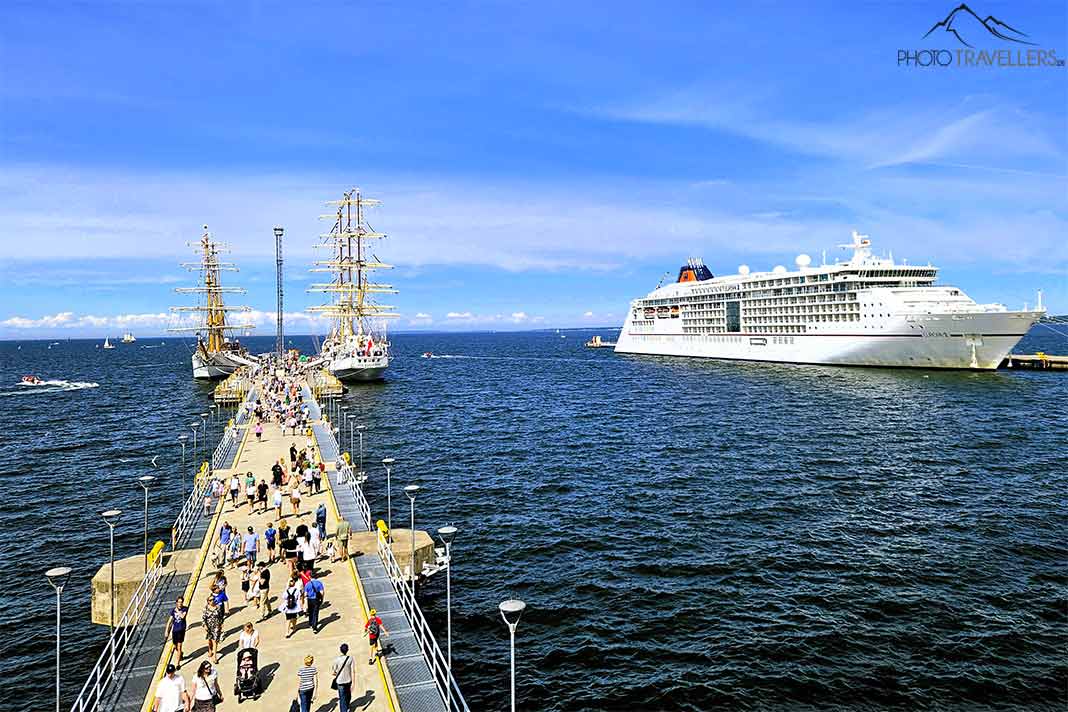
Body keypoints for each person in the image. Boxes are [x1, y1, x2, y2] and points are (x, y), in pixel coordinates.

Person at [164, 596, 189, 669]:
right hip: (175, 630)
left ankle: (177, 664)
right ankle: (180, 653)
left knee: (179, 646)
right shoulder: (173, 611)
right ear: (176, 603)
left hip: (181, 630)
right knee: (175, 646)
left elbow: (182, 617)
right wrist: (166, 631)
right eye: (179, 602)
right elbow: (170, 621)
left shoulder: (185, 609)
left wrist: (177, 611)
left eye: (181, 602)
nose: (180, 604)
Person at [332, 643, 356, 712]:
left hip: (340, 681)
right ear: (347, 650)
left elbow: (334, 670)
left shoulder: (337, 659)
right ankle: (347, 706)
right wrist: (353, 683)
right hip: (348, 680)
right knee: (348, 695)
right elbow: (353, 671)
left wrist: (335, 672)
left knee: (342, 698)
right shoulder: (350, 659)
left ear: (340, 650)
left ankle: (344, 710)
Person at [202, 594, 223, 664]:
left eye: (213, 599)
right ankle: (210, 650)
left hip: (216, 626)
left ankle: (214, 656)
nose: (212, 601)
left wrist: (221, 624)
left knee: (215, 641)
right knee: (210, 640)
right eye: (210, 600)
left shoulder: (218, 607)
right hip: (209, 626)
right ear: (208, 601)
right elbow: (203, 618)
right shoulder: (205, 608)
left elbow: (220, 617)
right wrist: (205, 625)